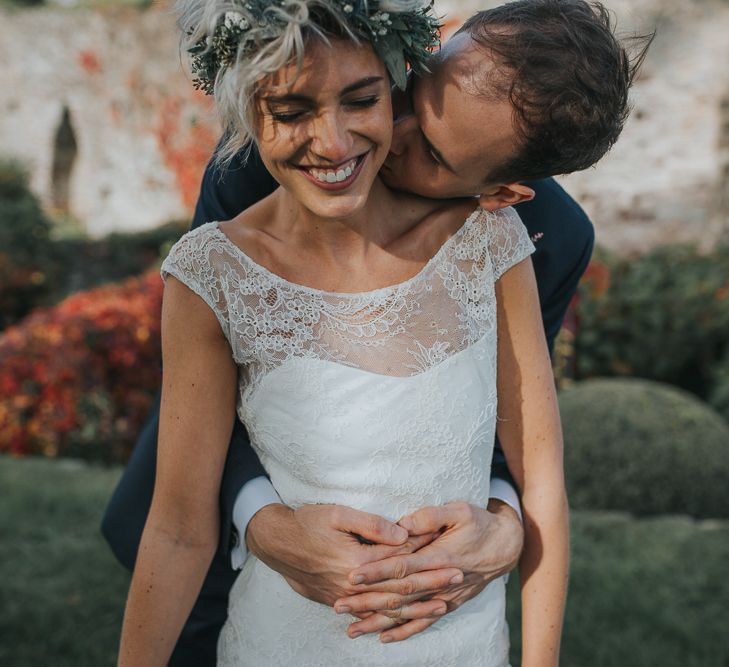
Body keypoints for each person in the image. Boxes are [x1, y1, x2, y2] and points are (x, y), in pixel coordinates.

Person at [107, 0, 649, 663]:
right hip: (234, 550)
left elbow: (504, 420)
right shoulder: (278, 147)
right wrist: (264, 522)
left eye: (430, 152)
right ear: (441, 45)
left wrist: (508, 523)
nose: (381, 130)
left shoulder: (537, 241)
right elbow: (205, 406)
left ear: (499, 191)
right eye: (411, 95)